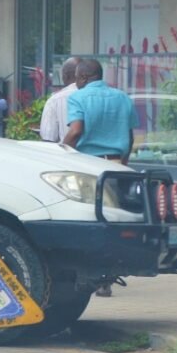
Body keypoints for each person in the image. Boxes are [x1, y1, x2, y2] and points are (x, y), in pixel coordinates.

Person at [63, 58, 139, 297]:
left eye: (76, 78)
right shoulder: (123, 98)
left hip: (87, 166)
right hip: (116, 165)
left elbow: (75, 131)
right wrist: (123, 163)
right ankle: (107, 278)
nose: (76, 82)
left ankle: (88, 274)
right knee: (112, 221)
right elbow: (130, 136)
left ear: (84, 77)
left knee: (88, 220)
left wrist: (61, 152)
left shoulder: (78, 97)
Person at [39, 56, 80, 142]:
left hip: (66, 153)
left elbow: (48, 138)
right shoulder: (97, 98)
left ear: (65, 76)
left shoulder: (55, 100)